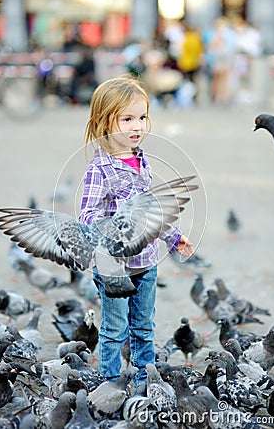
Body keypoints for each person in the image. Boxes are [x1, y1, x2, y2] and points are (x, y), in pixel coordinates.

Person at [79, 74, 194, 384]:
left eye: (142, 117)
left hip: (146, 262)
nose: (137, 126)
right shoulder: (99, 169)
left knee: (144, 325)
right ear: (105, 123)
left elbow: (152, 212)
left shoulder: (143, 162)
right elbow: (86, 215)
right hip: (113, 266)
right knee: (115, 328)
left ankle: (145, 376)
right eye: (127, 119)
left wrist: (172, 237)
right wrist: (115, 227)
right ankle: (110, 381)